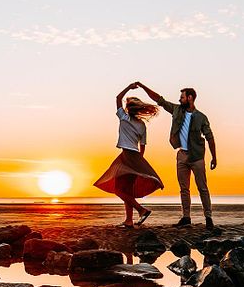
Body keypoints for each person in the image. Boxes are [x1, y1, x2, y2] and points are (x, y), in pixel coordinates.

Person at [131, 81, 217, 229]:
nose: (179, 99)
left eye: (182, 97)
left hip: (197, 157)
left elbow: (210, 137)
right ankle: (186, 217)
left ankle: (208, 218)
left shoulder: (201, 117)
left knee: (202, 188)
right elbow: (160, 100)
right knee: (184, 189)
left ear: (190, 98)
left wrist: (214, 157)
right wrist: (143, 86)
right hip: (181, 155)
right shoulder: (177, 110)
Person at [92, 82, 163, 227]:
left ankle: (141, 210)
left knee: (118, 189)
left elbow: (118, 98)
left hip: (126, 156)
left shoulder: (124, 118)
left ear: (128, 109)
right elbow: (142, 147)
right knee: (127, 190)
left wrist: (128, 88)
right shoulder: (142, 125)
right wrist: (139, 163)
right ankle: (129, 220)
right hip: (136, 157)